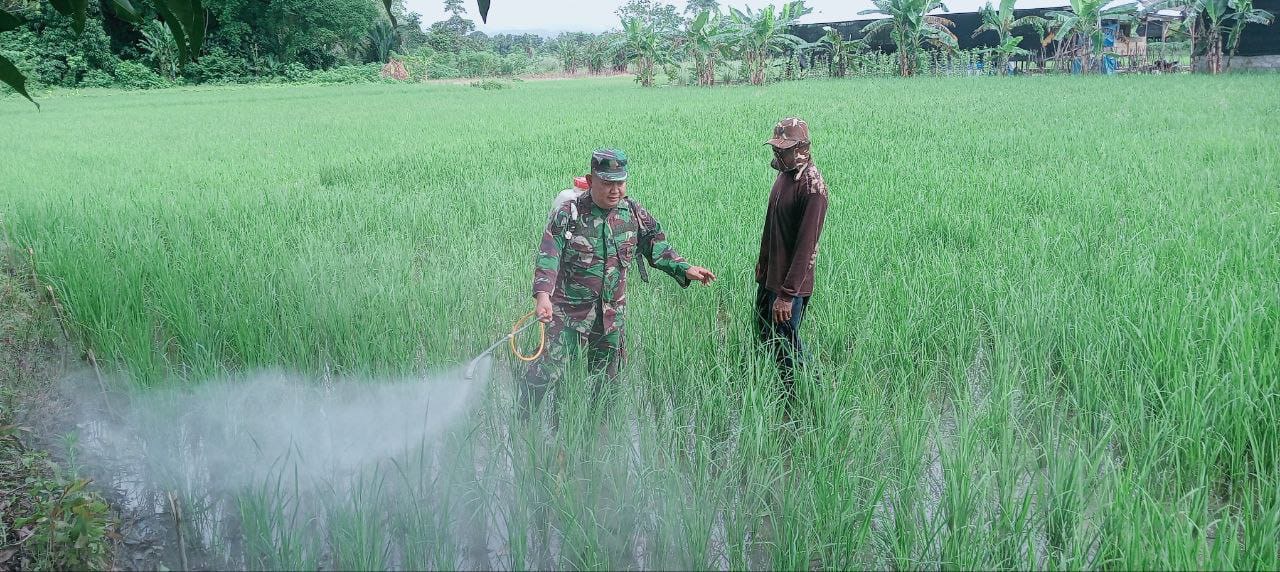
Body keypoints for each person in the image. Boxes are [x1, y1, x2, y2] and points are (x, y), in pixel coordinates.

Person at [522, 148, 716, 421]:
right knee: (547, 372)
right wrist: (543, 295)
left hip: (611, 318)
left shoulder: (632, 212)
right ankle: (521, 419)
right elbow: (549, 254)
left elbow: (655, 245)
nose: (615, 190)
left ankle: (598, 432)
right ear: (591, 180)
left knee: (607, 382)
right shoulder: (570, 213)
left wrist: (684, 268)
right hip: (569, 315)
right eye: (607, 183)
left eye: (620, 182)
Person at [755, 117, 829, 398]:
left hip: (789, 287)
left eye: (783, 149)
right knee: (767, 338)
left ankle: (811, 397)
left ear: (801, 149)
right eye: (776, 147)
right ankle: (774, 395)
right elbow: (771, 224)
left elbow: (806, 247)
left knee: (788, 348)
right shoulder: (785, 175)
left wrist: (786, 296)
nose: (777, 153)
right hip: (770, 278)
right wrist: (763, 265)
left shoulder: (812, 188)